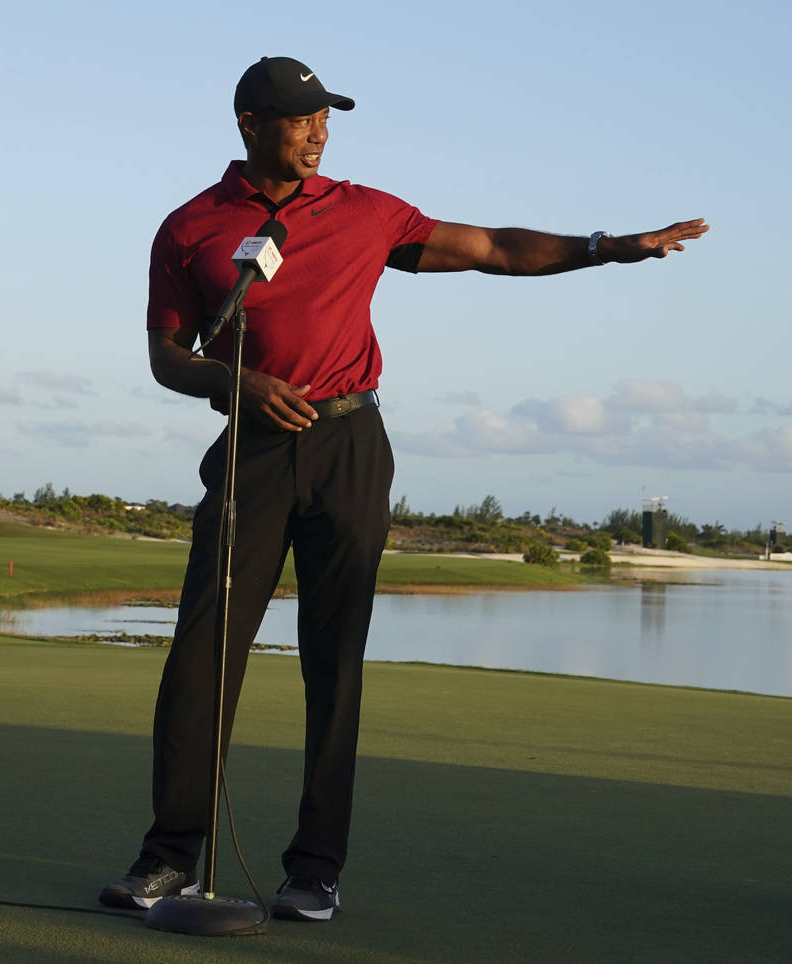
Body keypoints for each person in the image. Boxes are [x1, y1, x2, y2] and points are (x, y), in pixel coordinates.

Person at [98, 55, 708, 922]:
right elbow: (167, 354)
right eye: (302, 119)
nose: (319, 132)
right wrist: (231, 385)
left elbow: (493, 248)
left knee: (334, 661)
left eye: (325, 119)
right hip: (255, 451)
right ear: (249, 125)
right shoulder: (191, 226)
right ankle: (166, 859)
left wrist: (607, 249)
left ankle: (313, 870)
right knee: (202, 655)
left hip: (351, 443)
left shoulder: (364, 212)